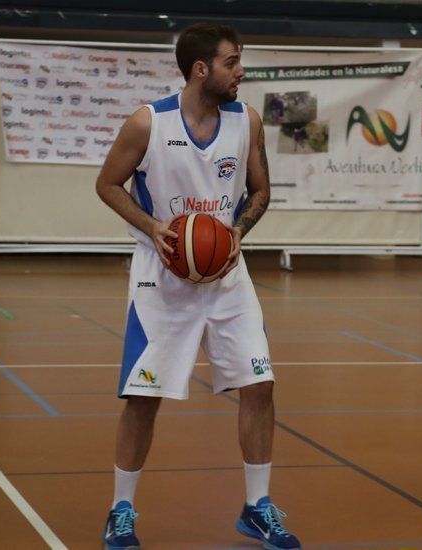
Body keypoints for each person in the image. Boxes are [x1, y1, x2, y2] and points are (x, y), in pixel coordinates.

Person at [95, 23, 299, 550]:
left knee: (260, 385)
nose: (242, 71)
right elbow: (107, 183)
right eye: (233, 61)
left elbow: (260, 190)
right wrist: (154, 228)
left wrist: (237, 231)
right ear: (201, 69)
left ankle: (257, 507)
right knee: (144, 397)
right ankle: (121, 509)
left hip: (228, 273)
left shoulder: (245, 120)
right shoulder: (148, 124)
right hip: (162, 277)